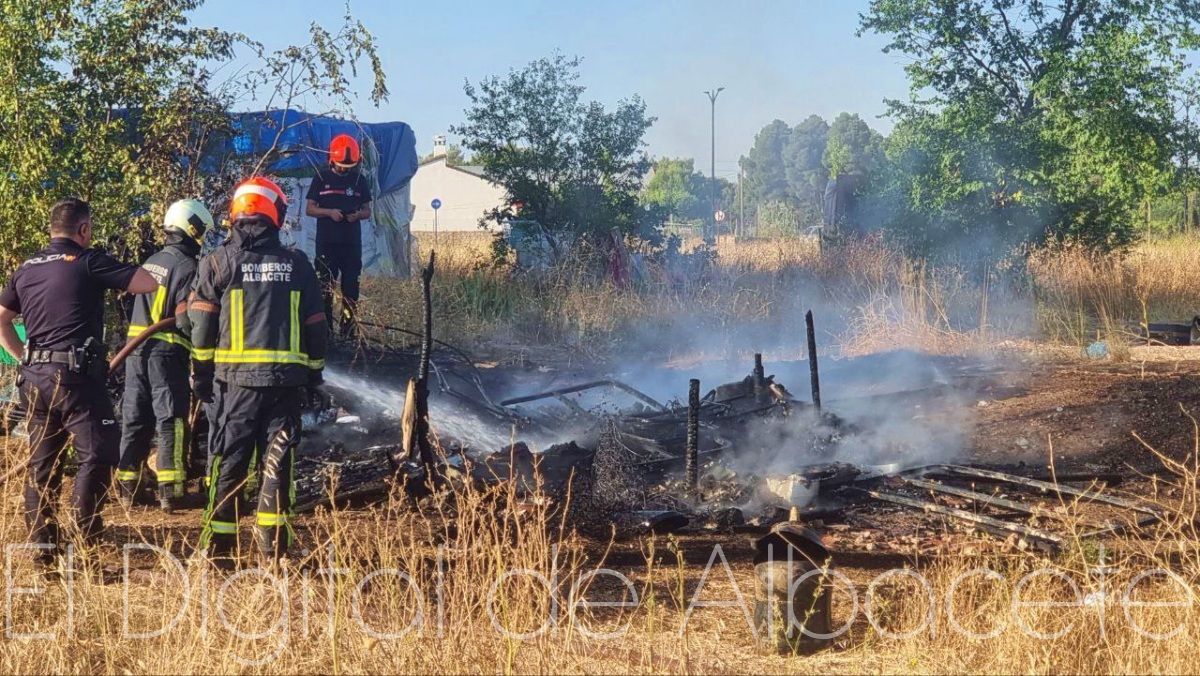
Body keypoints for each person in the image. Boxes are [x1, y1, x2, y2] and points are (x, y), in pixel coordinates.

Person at [0, 198, 159, 562]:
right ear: (84, 230)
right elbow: (146, 283)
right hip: (75, 380)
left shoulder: (26, 267)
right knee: (100, 452)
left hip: (34, 381)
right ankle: (82, 539)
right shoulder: (88, 261)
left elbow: (2, 319)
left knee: (44, 466)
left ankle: (42, 551)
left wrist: (23, 355)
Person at [191, 177, 328, 562]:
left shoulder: (217, 263)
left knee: (229, 463)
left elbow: (200, 327)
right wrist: (314, 374)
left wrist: (201, 375)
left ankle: (219, 551)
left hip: (233, 387)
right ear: (277, 216)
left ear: (234, 216)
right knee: (277, 465)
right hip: (284, 386)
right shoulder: (297, 265)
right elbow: (317, 326)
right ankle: (274, 551)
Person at [116, 199, 213, 512]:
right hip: (166, 351)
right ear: (192, 230)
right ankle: (170, 490)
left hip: (135, 353)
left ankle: (128, 487)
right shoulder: (188, 266)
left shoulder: (152, 261)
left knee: (135, 418)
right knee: (170, 418)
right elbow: (186, 319)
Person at [305, 133, 372, 338]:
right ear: (332, 160)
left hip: (351, 245)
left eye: (349, 166)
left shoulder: (360, 180)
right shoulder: (321, 178)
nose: (344, 169)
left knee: (351, 289)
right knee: (324, 288)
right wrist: (329, 212)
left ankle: (348, 331)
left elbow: (367, 211)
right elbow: (310, 209)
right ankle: (325, 332)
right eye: (342, 165)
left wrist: (357, 215)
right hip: (327, 243)